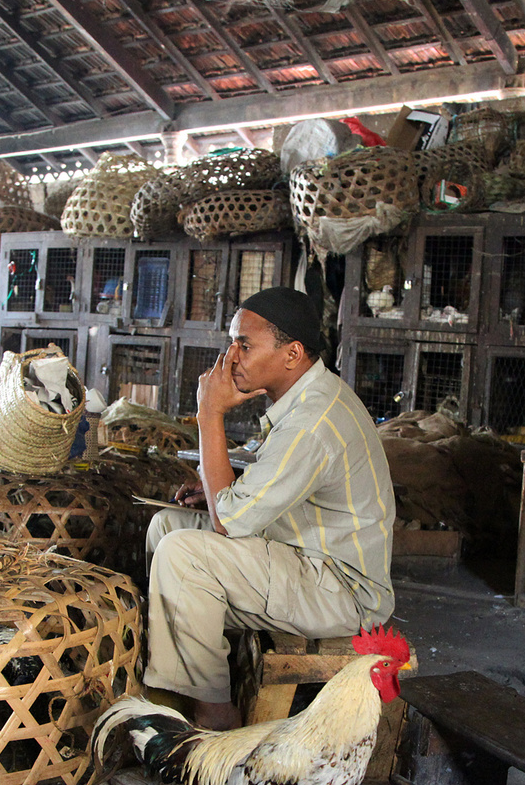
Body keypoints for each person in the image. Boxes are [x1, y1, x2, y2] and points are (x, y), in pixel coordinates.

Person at [141, 286, 396, 733]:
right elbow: (258, 496)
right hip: (303, 555)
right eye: (231, 342)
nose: (231, 357)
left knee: (184, 556)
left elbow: (227, 522)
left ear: (292, 354)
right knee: (166, 526)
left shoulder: (313, 420)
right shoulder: (305, 399)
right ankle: (184, 682)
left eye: (245, 344)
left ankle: (213, 720)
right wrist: (226, 489)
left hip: (339, 589)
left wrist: (209, 415)